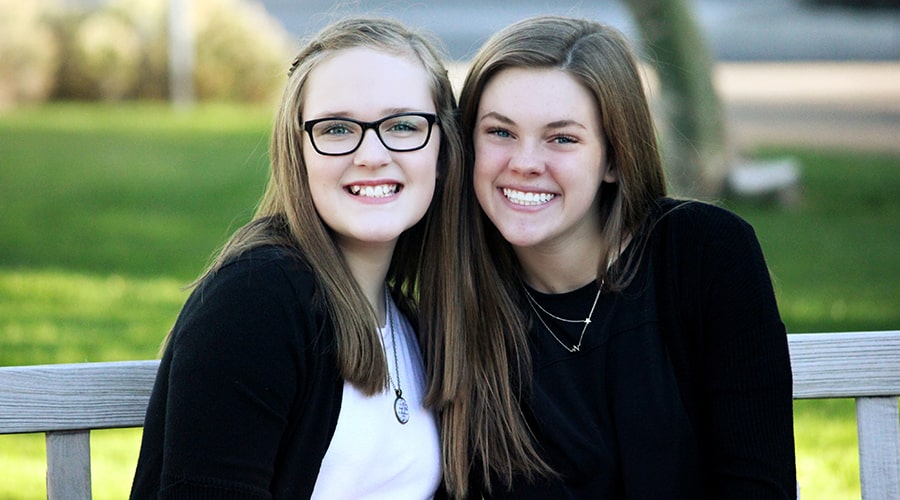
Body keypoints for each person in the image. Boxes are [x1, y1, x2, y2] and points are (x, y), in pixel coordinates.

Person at [441, 15, 797, 499]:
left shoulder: (703, 254)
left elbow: (758, 486)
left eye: (562, 138)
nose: (524, 163)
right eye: (500, 132)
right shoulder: (454, 297)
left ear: (613, 158)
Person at [130, 16, 467, 498]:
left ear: (442, 149)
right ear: (298, 149)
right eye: (336, 129)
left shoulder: (411, 324)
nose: (371, 154)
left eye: (402, 125)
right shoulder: (256, 303)